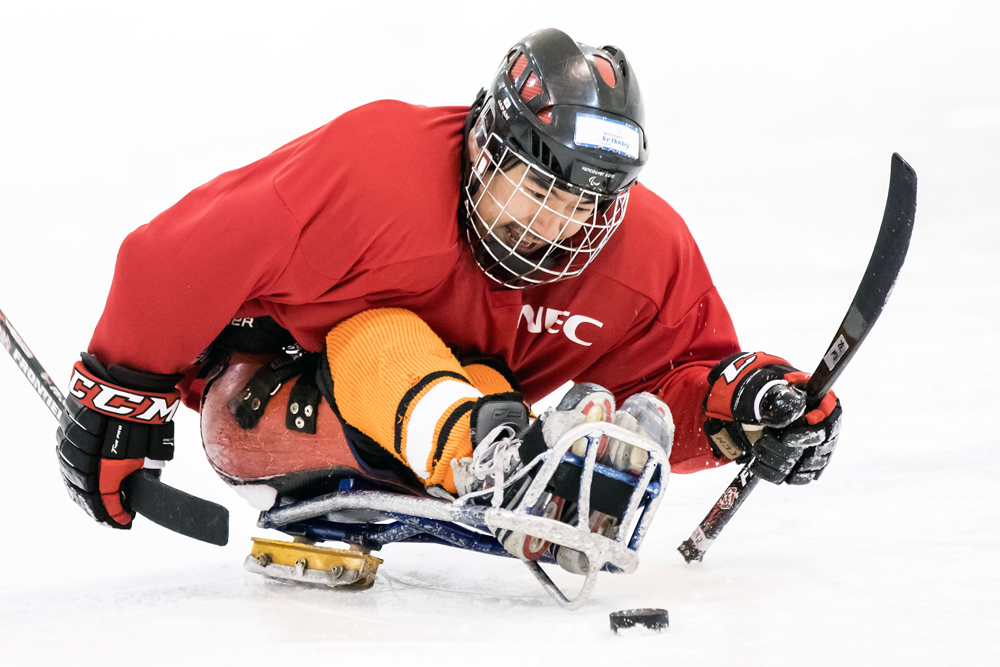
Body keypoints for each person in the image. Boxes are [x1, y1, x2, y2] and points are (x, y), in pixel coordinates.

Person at [55, 29, 841, 548]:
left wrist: (740, 408)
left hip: (460, 418)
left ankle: (511, 457)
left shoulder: (645, 252)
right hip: (267, 403)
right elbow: (169, 256)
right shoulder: (370, 172)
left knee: (489, 385)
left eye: (588, 204)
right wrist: (119, 396)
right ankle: (503, 463)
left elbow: (675, 375)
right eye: (536, 187)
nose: (555, 223)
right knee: (383, 334)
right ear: (483, 144)